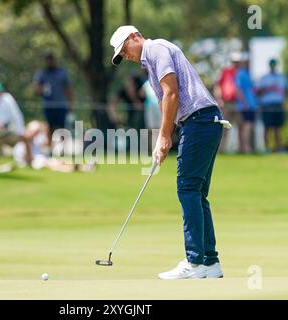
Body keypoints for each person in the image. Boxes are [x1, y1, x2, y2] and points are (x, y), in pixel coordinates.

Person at [110, 25, 232, 279]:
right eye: (121, 54)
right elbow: (171, 98)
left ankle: (195, 262)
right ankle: (210, 263)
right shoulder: (151, 58)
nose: (125, 55)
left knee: (188, 188)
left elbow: (171, 92)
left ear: (135, 37)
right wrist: (166, 136)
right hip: (204, 122)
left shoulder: (156, 49)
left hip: (200, 121)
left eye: (124, 49)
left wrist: (164, 136)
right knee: (197, 193)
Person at [13, 120, 96, 173]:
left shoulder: (36, 141)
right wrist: (27, 144)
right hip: (33, 163)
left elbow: (48, 147)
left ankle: (84, 167)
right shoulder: (20, 146)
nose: (34, 134)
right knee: (52, 165)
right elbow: (29, 161)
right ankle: (76, 169)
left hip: (42, 159)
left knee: (60, 161)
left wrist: (46, 132)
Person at [33, 53, 74, 145]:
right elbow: (36, 89)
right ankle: (50, 148)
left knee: (62, 128)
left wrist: (70, 104)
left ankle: (63, 148)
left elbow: (68, 89)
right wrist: (42, 88)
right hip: (48, 106)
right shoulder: (42, 74)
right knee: (49, 127)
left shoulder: (62, 73)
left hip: (61, 105)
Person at [255, 59, 288, 153]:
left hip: (278, 104)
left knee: (278, 127)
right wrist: (268, 89)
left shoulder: (282, 77)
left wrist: (285, 102)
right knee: (267, 127)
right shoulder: (264, 78)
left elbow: (286, 90)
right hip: (267, 105)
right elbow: (257, 92)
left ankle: (279, 147)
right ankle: (267, 148)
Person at [214, 52, 240, 152]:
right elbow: (218, 85)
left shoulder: (241, 73)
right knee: (224, 127)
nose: (236, 64)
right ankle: (222, 149)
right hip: (226, 103)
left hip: (238, 103)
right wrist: (219, 99)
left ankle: (240, 149)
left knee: (240, 126)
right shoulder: (225, 72)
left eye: (237, 62)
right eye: (234, 62)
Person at [235, 52, 258, 153]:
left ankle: (244, 147)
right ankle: (246, 147)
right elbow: (238, 90)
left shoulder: (247, 73)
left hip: (250, 105)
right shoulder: (241, 73)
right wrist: (245, 104)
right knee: (247, 126)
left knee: (246, 126)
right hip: (246, 105)